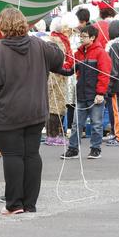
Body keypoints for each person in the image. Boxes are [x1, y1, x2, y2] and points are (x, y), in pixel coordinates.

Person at [0, 7, 63, 214]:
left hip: (8, 114)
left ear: (2, 27)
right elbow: (59, 59)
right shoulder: (39, 45)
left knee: (13, 156)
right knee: (32, 155)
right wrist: (52, 44)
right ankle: (29, 203)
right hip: (35, 111)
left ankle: (14, 204)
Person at [61, 23, 112, 161]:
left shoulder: (101, 53)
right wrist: (58, 66)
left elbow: (104, 74)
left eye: (84, 37)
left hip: (95, 94)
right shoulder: (78, 53)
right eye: (80, 36)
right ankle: (73, 149)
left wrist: (101, 93)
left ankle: (95, 149)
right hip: (81, 94)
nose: (81, 39)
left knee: (96, 124)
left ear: (93, 37)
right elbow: (69, 67)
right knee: (76, 124)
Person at [44, 17, 74, 145]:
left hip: (54, 76)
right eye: (67, 28)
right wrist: (68, 69)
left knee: (52, 105)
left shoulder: (55, 39)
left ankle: (51, 135)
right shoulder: (58, 41)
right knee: (55, 106)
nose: (69, 30)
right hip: (56, 77)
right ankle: (53, 136)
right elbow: (59, 61)